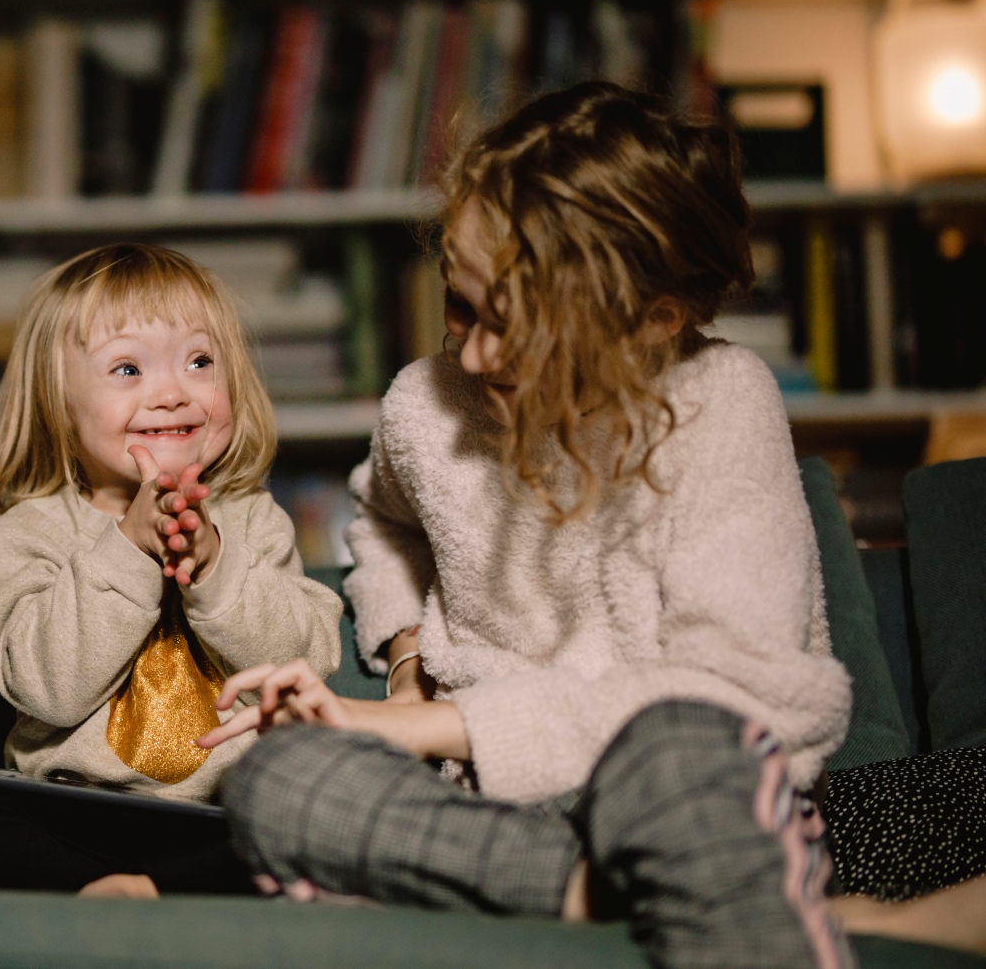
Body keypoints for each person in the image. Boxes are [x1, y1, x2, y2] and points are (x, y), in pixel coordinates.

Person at [196, 83, 986, 966]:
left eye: (514, 325)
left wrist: (434, 726)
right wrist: (409, 666)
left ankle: (676, 885)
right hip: (494, 808)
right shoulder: (427, 403)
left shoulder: (719, 401)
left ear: (652, 320)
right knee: (276, 782)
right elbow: (384, 525)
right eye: (460, 304)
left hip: (689, 781)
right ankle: (657, 898)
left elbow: (739, 692)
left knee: (680, 746)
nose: (471, 351)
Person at [0, 243, 342, 899]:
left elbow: (309, 657)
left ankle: (142, 889)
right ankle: (105, 885)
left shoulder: (250, 520)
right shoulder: (31, 532)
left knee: (333, 807)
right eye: (127, 368)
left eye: (200, 361)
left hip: (227, 812)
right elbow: (45, 689)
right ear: (59, 407)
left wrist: (214, 562)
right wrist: (128, 547)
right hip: (73, 812)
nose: (172, 392)